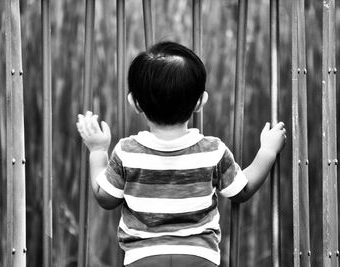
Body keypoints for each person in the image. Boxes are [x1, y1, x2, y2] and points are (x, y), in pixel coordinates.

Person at [76, 41, 286, 267]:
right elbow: (242, 190)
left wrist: (97, 150)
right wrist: (267, 151)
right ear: (200, 102)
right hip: (199, 257)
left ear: (134, 103)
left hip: (143, 258)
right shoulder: (212, 150)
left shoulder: (126, 151)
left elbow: (105, 198)